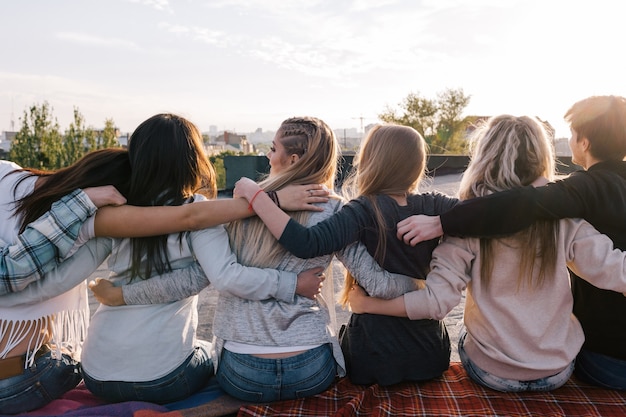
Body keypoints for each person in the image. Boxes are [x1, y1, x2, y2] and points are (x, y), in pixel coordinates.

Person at [93, 116, 419, 401]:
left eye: (273, 149)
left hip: (241, 374)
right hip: (310, 369)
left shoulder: (237, 209)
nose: (267, 154)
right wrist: (424, 281)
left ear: (292, 159)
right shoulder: (335, 211)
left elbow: (193, 281)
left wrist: (124, 296)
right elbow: (378, 283)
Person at [349, 114, 626, 392]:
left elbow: (436, 304)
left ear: (485, 156)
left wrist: (369, 305)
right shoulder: (564, 220)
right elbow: (618, 273)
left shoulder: (467, 220)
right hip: (556, 371)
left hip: (492, 372)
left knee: (468, 335)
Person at [78, 114, 333, 405]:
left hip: (96, 373)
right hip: (164, 379)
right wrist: (293, 283)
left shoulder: (118, 209)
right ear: (193, 159)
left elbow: (74, 265)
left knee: (205, 348)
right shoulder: (199, 211)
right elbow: (219, 276)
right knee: (206, 353)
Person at [234, 123, 458, 386]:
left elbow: (306, 243)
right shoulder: (436, 205)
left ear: (370, 161)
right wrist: (442, 222)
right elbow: (480, 210)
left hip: (373, 355)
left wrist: (258, 196)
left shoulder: (361, 210)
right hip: (430, 353)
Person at [0, 149, 131, 415]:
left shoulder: (7, 176)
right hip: (20, 380)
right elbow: (12, 272)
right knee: (83, 363)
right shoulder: (81, 220)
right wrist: (82, 202)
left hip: (20, 373)